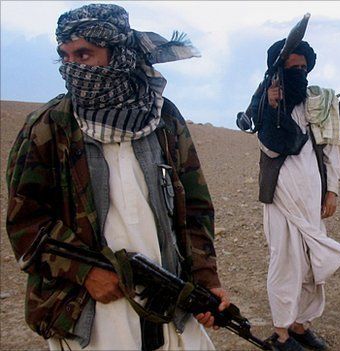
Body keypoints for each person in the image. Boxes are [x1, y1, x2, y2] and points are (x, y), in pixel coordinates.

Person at [5, 4, 228, 350]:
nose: (74, 68)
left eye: (85, 54)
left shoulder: (163, 118)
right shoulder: (48, 127)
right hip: (91, 309)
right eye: (66, 57)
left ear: (119, 54)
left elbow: (195, 207)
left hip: (166, 293)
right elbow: (26, 223)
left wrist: (205, 276)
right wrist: (85, 273)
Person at [250, 39, 340, 351]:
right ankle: (281, 333)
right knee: (285, 262)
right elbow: (271, 146)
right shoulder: (265, 104)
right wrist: (274, 107)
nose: (299, 72)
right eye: (292, 68)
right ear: (278, 70)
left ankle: (302, 326)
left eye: (303, 67)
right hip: (281, 198)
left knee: (310, 266)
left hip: (313, 199)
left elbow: (331, 150)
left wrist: (331, 190)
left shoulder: (319, 103)